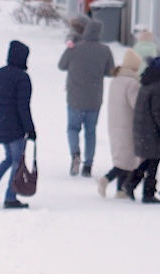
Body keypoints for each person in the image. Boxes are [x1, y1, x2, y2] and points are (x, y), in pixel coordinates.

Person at [0, 40, 37, 208]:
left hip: (1, 122)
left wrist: (2, 113)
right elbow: (23, 106)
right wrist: (30, 129)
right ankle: (10, 198)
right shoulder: (22, 78)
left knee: (9, 158)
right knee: (17, 161)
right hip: (16, 126)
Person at [57, 18, 115, 177]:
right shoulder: (105, 50)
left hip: (75, 97)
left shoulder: (75, 48)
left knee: (73, 128)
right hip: (94, 99)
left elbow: (61, 65)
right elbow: (110, 71)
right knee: (90, 132)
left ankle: (75, 154)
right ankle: (88, 165)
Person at [99, 50, 144, 198]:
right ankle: (106, 179)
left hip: (115, 123)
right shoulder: (132, 83)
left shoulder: (116, 80)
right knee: (127, 160)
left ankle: (120, 190)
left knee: (122, 157)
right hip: (128, 124)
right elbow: (137, 105)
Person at [129, 56, 160, 204]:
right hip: (152, 130)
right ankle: (146, 193)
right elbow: (157, 111)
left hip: (144, 127)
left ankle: (132, 184)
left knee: (150, 160)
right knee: (153, 161)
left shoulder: (147, 82)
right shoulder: (158, 86)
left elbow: (151, 108)